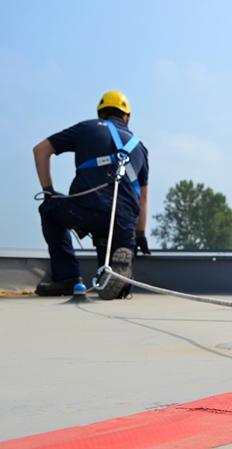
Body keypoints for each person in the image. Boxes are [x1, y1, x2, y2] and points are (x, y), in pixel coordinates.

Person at [33, 91, 150, 299]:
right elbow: (143, 199)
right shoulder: (140, 147)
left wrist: (49, 192)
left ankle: (67, 277)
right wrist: (140, 234)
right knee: (111, 267)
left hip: (84, 212)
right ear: (128, 118)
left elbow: (40, 150)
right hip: (122, 224)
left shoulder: (87, 128)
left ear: (100, 115)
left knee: (49, 210)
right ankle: (116, 278)